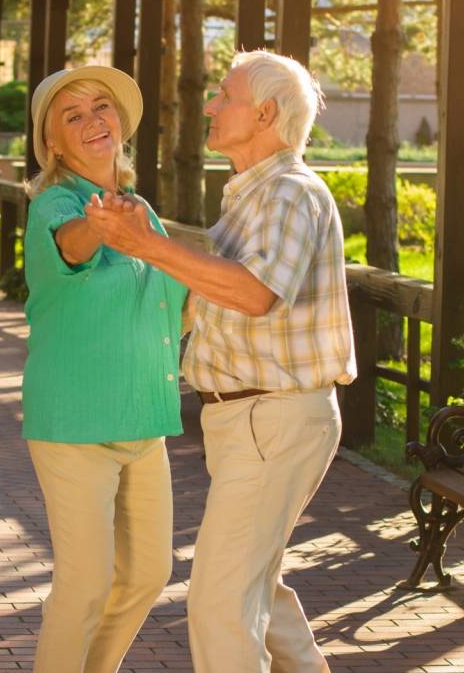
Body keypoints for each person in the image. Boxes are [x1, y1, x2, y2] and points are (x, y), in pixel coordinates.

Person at [86, 50, 355, 673]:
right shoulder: (254, 196)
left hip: (273, 419)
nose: (209, 105)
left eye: (224, 96)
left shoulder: (287, 193)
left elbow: (254, 292)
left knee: (218, 603)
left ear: (264, 112)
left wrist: (148, 246)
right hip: (255, 421)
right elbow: (215, 293)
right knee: (257, 590)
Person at [19, 65, 187, 673]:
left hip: (144, 417)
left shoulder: (138, 208)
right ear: (53, 143)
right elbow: (70, 246)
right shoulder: (55, 206)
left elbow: (173, 298)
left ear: (121, 122)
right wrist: (100, 220)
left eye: (101, 107)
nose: (93, 120)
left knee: (149, 572)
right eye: (73, 115)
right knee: (86, 582)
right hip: (74, 423)